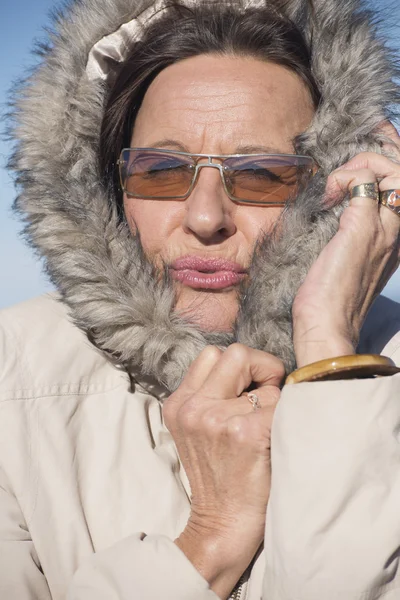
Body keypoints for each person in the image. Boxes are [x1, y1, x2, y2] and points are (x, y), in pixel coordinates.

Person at [1, 0, 400, 598]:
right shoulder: (11, 374)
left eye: (263, 174)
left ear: (331, 187)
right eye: (161, 170)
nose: (206, 217)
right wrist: (211, 539)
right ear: (105, 189)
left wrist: (327, 355)